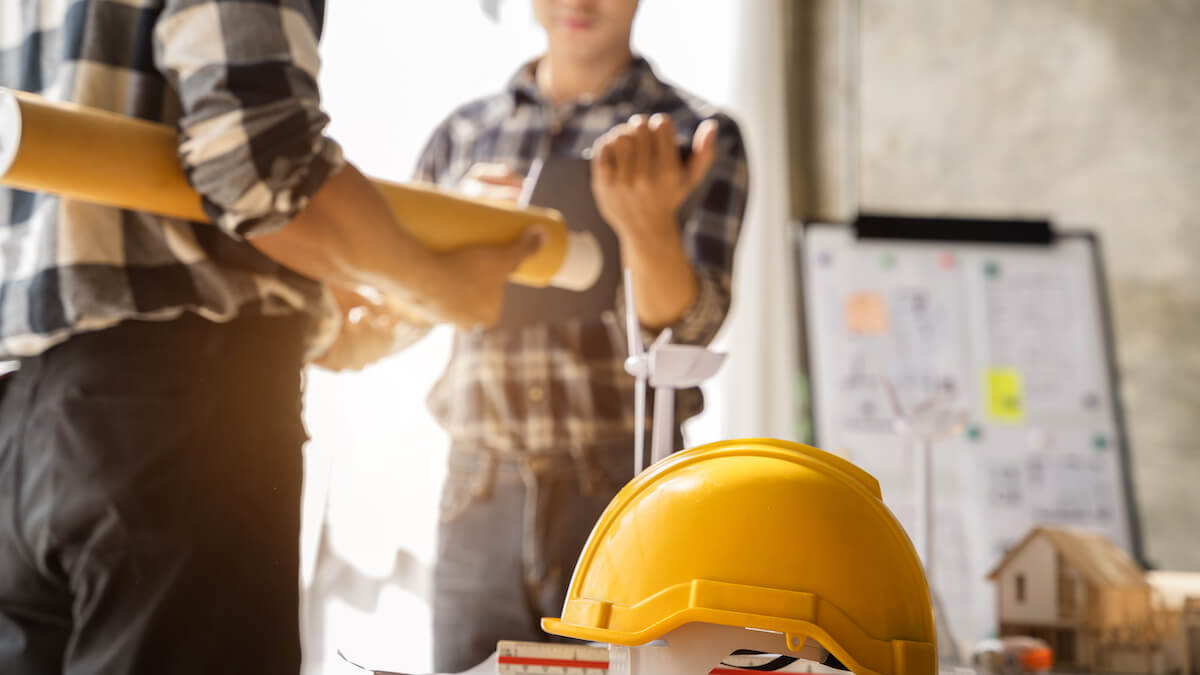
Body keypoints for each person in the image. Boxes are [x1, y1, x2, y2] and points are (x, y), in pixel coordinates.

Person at [0, 1, 536, 673]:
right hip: (176, 420)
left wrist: (317, 301)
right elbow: (257, 165)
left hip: (29, 421)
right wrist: (437, 284)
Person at [401, 1, 750, 670]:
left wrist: (644, 225)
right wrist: (447, 231)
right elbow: (404, 305)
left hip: (625, 491)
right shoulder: (463, 133)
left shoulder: (697, 136)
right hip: (477, 493)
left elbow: (685, 336)